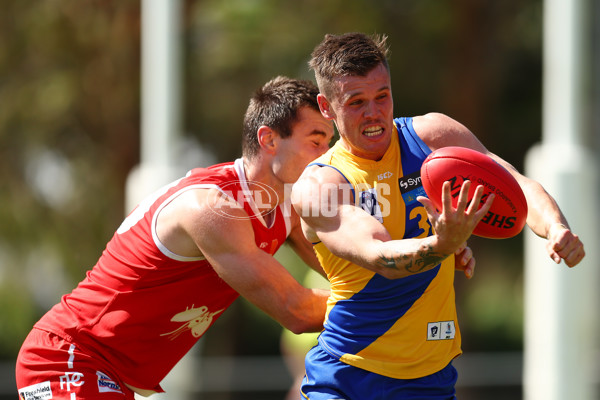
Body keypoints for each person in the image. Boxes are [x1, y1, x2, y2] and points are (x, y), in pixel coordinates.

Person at [291, 32, 585, 399]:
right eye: (356, 102)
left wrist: (555, 227)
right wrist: (444, 244)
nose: (373, 113)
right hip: (348, 377)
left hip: (430, 379)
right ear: (326, 107)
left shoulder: (432, 137)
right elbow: (380, 256)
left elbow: (514, 184)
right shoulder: (320, 186)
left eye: (382, 96)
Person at [15, 76, 335, 399]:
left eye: (329, 143)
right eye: (316, 140)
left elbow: (349, 273)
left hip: (110, 375)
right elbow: (296, 309)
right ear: (269, 141)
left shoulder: (287, 209)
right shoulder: (212, 208)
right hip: (67, 357)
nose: (327, 156)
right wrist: (385, 302)